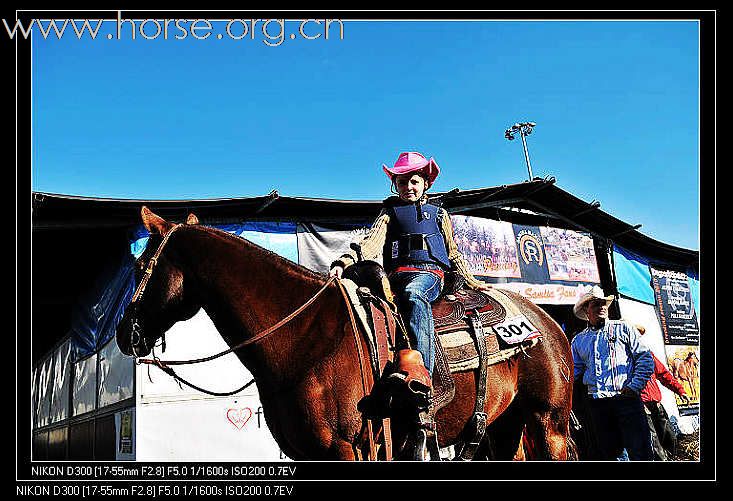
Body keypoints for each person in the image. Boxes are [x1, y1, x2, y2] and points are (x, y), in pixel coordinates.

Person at [329, 151, 490, 392]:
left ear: (426, 183)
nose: (408, 187)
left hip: (430, 274)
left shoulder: (439, 214)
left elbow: (453, 252)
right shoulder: (389, 213)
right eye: (402, 182)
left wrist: (472, 281)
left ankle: (422, 372)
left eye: (413, 181)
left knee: (414, 295)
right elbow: (370, 243)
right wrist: (344, 262)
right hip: (394, 277)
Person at [570, 286, 654, 460]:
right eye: (596, 304)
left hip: (626, 399)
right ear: (586, 310)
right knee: (612, 454)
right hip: (598, 404)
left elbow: (645, 360)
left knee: (640, 451)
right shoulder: (579, 340)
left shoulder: (624, 329)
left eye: (603, 304)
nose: (601, 307)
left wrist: (634, 387)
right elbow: (573, 372)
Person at [635, 324, 689, 460]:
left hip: (655, 403)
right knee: (654, 444)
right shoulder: (620, 358)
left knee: (669, 438)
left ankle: (673, 459)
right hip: (639, 407)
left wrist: (680, 390)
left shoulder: (647, 353)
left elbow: (663, 374)